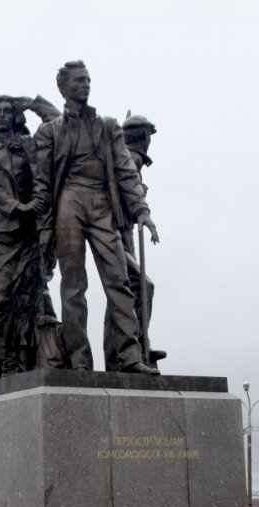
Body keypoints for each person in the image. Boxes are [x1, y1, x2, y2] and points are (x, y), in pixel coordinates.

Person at [32, 61, 159, 374]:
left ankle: (129, 355)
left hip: (101, 203)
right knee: (73, 286)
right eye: (78, 80)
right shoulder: (50, 131)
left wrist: (142, 210)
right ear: (63, 88)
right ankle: (79, 360)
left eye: (88, 79)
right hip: (68, 202)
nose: (85, 84)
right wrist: (45, 226)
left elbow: (126, 171)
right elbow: (43, 182)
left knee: (119, 279)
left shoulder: (108, 126)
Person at [0, 94, 62, 385]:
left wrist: (33, 105)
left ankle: (11, 366)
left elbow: (57, 133)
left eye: (8, 111)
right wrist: (18, 207)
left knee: (24, 302)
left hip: (28, 233)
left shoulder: (27, 145)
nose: (4, 116)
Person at [103, 113, 166, 371]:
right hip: (114, 232)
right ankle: (133, 346)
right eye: (149, 135)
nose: (150, 140)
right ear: (142, 136)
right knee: (142, 286)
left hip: (124, 232)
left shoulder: (131, 158)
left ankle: (125, 351)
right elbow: (118, 192)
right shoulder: (130, 158)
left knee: (123, 293)